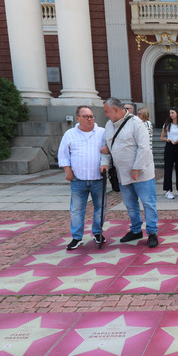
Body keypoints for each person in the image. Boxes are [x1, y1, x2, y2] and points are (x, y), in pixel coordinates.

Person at [98, 98, 160, 248]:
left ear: (116, 110)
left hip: (141, 173)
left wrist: (136, 169)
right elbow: (105, 146)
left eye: (107, 111)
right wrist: (104, 163)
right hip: (122, 173)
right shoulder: (109, 125)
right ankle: (136, 230)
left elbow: (144, 148)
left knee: (148, 203)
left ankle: (152, 233)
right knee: (130, 204)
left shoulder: (136, 123)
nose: (106, 115)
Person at [58, 106, 106, 250]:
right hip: (78, 179)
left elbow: (107, 152)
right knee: (77, 209)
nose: (90, 119)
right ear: (77, 117)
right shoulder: (70, 134)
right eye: (86, 116)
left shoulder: (102, 132)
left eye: (91, 116)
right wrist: (67, 170)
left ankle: (98, 233)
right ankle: (77, 237)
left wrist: (105, 164)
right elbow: (63, 154)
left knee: (100, 208)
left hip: (98, 178)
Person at [160, 107, 178, 199]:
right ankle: (168, 190)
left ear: (177, 113)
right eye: (170, 113)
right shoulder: (167, 124)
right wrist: (169, 139)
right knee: (168, 168)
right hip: (170, 146)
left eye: (172, 113)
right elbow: (162, 137)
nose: (171, 114)